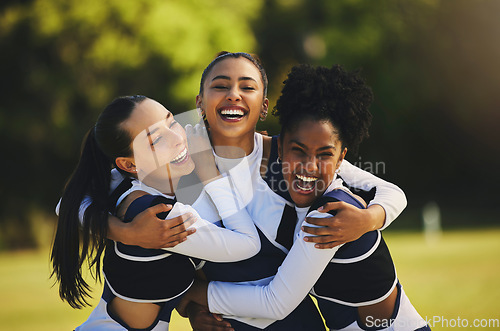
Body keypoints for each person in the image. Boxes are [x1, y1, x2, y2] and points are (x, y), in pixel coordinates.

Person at [73, 52, 407, 330]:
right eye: (220, 86)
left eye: (247, 87)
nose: (234, 94)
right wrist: (125, 232)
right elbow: (74, 201)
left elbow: (388, 190)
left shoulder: (294, 154)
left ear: (263, 105)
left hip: (292, 317)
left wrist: (370, 218)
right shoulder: (179, 162)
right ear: (199, 102)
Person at [181, 64, 430, 330]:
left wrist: (187, 295)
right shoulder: (287, 164)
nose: (310, 165)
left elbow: (273, 302)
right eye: (297, 150)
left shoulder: (331, 213)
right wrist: (195, 310)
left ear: (339, 158)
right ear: (281, 146)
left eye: (324, 154)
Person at [51, 95, 261, 330]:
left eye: (172, 122)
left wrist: (124, 233)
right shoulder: (159, 217)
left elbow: (66, 204)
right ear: (130, 165)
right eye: (157, 140)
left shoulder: (123, 182)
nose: (177, 139)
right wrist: (212, 175)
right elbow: (249, 244)